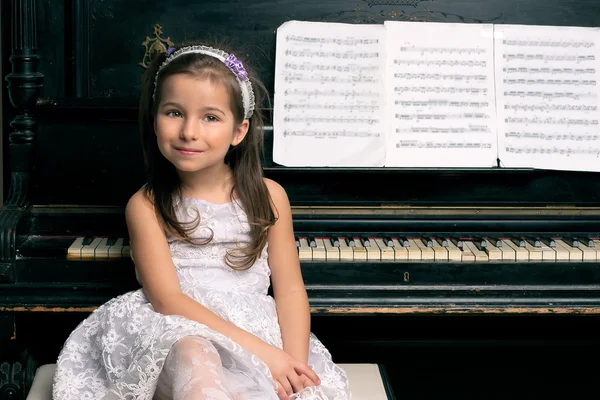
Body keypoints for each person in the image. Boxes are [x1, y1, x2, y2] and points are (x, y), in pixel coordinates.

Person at [52, 42, 351, 400]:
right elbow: (168, 300)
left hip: (253, 328)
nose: (189, 131)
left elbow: (289, 290)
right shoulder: (145, 204)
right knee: (196, 355)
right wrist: (262, 353)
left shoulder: (270, 196)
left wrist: (291, 363)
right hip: (176, 331)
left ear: (238, 132)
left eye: (210, 117)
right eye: (174, 112)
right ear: (154, 119)